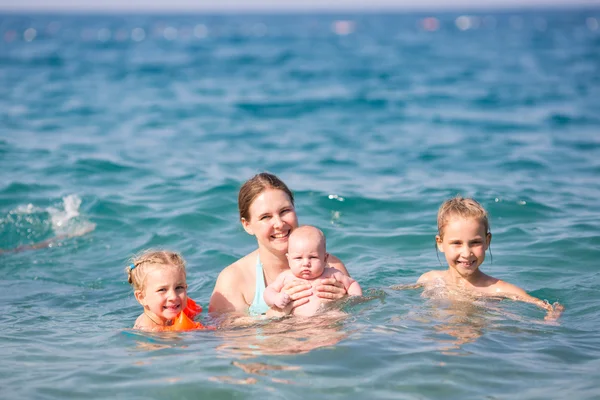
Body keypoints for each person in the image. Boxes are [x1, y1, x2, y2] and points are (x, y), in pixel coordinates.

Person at [209, 172, 350, 317]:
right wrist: (276, 314)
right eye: (266, 217)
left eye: (285, 211)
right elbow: (225, 333)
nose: (279, 224)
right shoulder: (233, 279)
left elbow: (356, 318)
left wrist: (345, 301)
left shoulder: (331, 266)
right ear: (247, 225)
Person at [417, 196, 564, 320]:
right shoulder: (429, 279)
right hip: (441, 336)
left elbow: (545, 306)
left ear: (487, 241)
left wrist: (553, 314)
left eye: (475, 242)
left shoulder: (497, 289)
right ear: (440, 243)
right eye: (457, 243)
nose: (467, 253)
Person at [264, 225, 362, 317]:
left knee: (339, 316)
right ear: (288, 259)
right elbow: (269, 291)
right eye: (298, 258)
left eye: (313, 257)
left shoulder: (332, 274)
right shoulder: (285, 277)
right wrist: (275, 298)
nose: (306, 263)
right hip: (296, 322)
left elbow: (351, 283)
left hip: (328, 317)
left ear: (325, 258)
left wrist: (354, 298)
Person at [126, 249, 205, 331]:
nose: (173, 297)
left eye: (179, 287)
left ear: (186, 287)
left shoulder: (167, 315)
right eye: (162, 290)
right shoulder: (149, 331)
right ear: (141, 297)